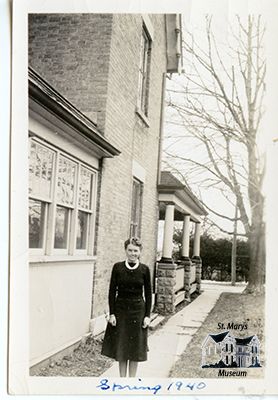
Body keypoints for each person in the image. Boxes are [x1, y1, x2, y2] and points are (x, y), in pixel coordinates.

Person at [101, 237, 152, 377]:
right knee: (122, 348)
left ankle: (132, 382)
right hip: (121, 311)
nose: (132, 253)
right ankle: (122, 381)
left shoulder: (144, 270)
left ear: (140, 252)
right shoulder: (117, 267)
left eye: (136, 251)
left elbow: (148, 294)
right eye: (130, 250)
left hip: (138, 312)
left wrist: (147, 316)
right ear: (125, 250)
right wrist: (112, 314)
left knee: (135, 349)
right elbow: (112, 292)